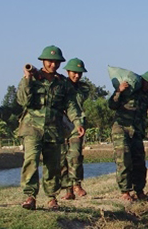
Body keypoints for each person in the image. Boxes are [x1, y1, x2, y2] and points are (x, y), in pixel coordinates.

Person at [17, 45, 84, 210]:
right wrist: (27, 79)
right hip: (32, 127)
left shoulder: (62, 83)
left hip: (54, 129)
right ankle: (30, 196)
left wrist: (77, 122)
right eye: (50, 61)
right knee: (31, 160)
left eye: (56, 62)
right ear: (43, 61)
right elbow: (22, 101)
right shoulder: (32, 79)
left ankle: (52, 197)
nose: (53, 65)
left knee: (52, 165)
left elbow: (71, 105)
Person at [108, 70, 148, 202]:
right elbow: (112, 105)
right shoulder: (129, 91)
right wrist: (119, 91)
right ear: (143, 81)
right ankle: (125, 191)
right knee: (124, 159)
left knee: (139, 161)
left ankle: (139, 189)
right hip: (121, 128)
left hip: (137, 131)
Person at [59, 57, 94, 200]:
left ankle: (76, 184)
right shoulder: (60, 84)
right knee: (62, 158)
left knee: (76, 155)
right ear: (68, 71)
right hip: (61, 123)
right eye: (74, 72)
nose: (77, 75)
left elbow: (76, 101)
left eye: (79, 73)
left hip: (76, 124)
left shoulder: (82, 88)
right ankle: (68, 190)